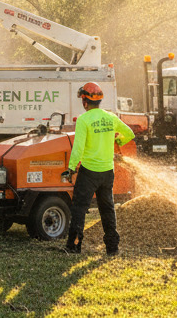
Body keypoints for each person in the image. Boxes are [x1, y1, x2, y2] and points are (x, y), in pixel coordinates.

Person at [61, 82, 134, 255]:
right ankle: (112, 247)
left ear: (85, 101)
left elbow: (78, 148)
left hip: (89, 172)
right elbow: (129, 133)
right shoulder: (110, 117)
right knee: (107, 208)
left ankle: (73, 246)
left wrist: (71, 168)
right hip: (108, 172)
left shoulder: (84, 120)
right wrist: (118, 142)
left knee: (79, 208)